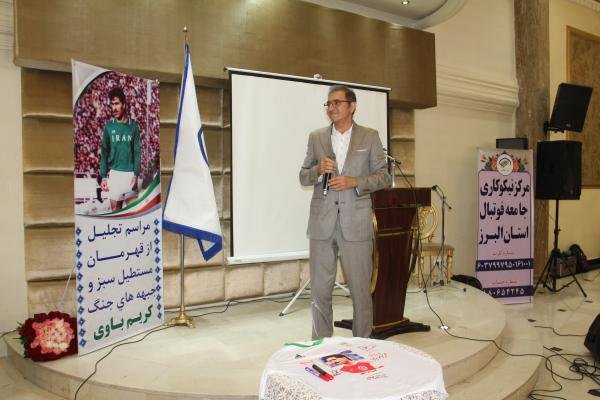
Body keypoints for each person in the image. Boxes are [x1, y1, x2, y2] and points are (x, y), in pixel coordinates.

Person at [299, 85, 391, 339]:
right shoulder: (316, 137)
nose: (331, 108)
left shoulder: (369, 136)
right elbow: (303, 176)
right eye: (328, 104)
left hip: (356, 223)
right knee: (320, 290)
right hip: (322, 223)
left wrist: (355, 182)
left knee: (360, 291)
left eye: (337, 102)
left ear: (352, 106)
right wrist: (318, 170)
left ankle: (362, 343)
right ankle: (321, 344)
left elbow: (384, 177)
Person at [99, 87, 141, 211]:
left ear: (124, 105)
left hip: (130, 175)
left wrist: (136, 174)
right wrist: (103, 176)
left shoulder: (133, 126)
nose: (114, 108)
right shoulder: (109, 127)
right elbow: (104, 153)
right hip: (115, 175)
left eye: (117, 104)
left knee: (133, 213)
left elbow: (137, 152)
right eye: (112, 104)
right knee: (116, 215)